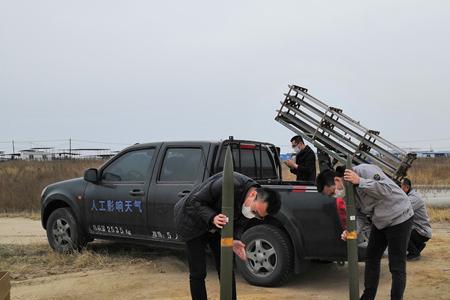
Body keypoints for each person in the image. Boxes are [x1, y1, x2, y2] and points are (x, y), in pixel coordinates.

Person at [174, 171, 281, 300]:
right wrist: (212, 217)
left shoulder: (252, 203)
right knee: (198, 272)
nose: (253, 215)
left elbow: (240, 223)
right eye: (254, 211)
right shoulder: (229, 183)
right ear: (253, 194)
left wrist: (234, 239)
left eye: (258, 215)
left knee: (226, 268)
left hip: (218, 226)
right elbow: (195, 201)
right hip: (192, 220)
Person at [316, 164, 413, 300]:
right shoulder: (346, 192)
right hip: (380, 221)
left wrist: (360, 181)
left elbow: (386, 190)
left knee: (396, 265)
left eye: (332, 192)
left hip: (399, 217)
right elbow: (359, 214)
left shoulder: (363, 171)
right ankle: (367, 297)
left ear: (337, 180)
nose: (335, 196)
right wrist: (352, 230)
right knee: (372, 257)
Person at [401, 178, 432, 261]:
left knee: (401, 234)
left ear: (406, 187)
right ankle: (418, 246)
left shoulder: (413, 198)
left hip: (422, 232)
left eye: (401, 187)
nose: (399, 189)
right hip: (418, 230)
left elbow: (402, 210)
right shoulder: (409, 195)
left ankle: (414, 253)